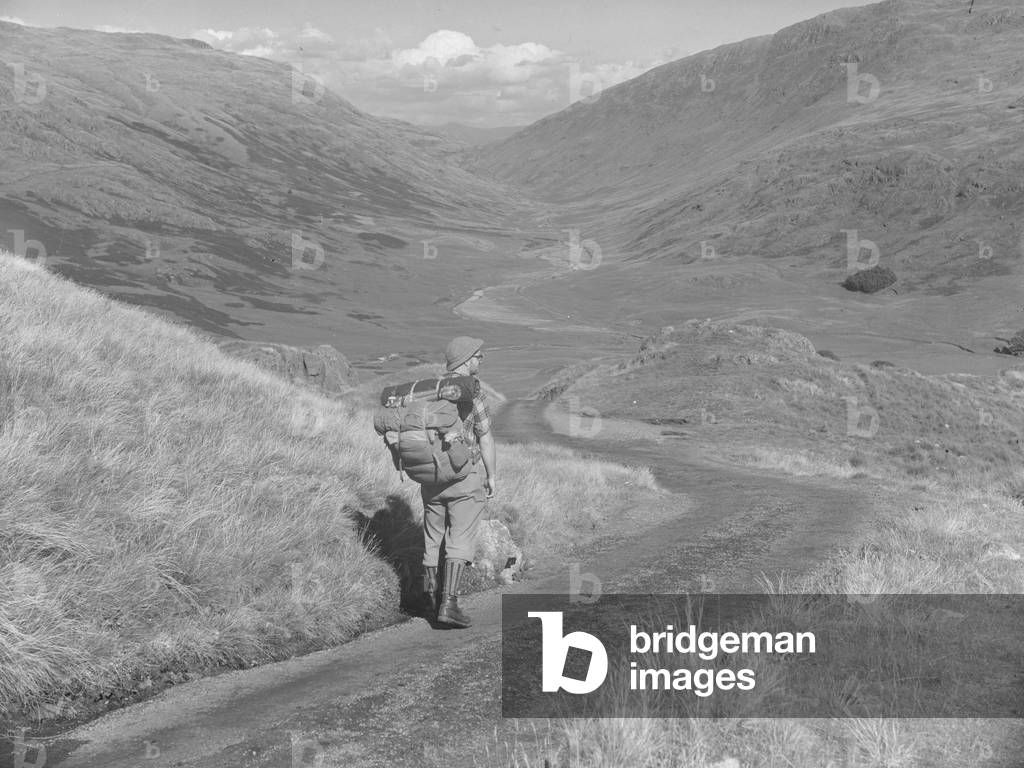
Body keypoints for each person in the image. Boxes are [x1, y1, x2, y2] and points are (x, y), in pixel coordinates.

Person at [419, 336, 496, 628]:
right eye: (478, 355)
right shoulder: (472, 392)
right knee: (460, 538)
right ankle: (448, 605)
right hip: (464, 475)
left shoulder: (430, 391)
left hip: (431, 477)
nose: (481, 360)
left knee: (433, 536)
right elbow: (485, 437)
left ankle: (429, 600)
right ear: (465, 359)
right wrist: (492, 475)